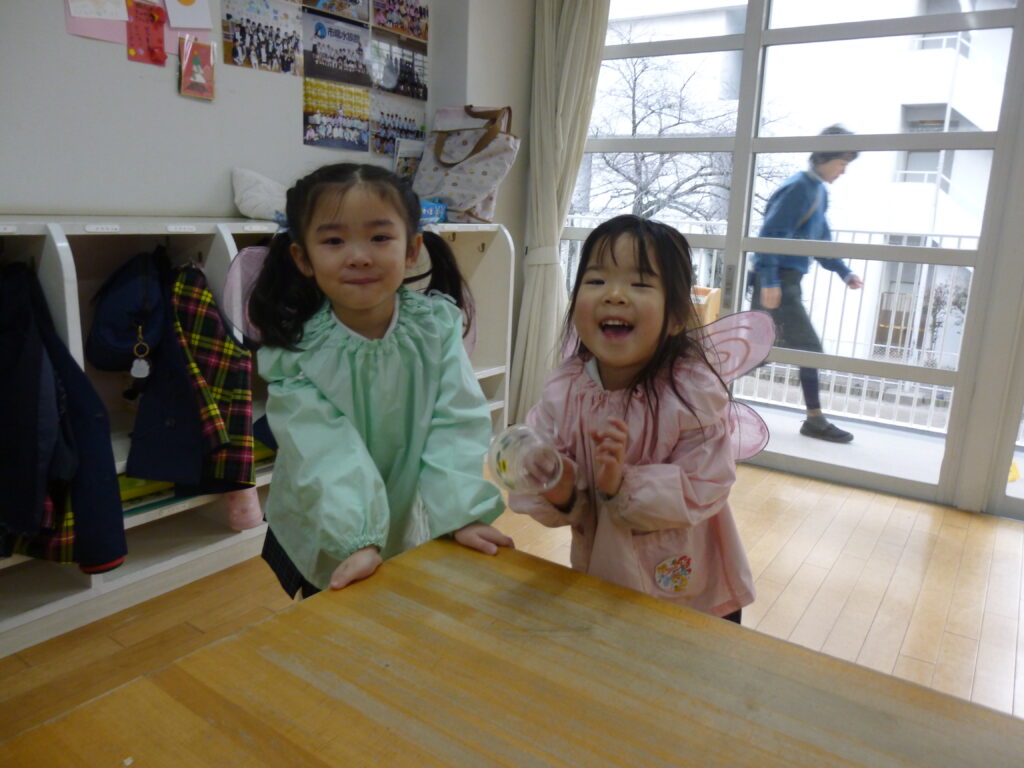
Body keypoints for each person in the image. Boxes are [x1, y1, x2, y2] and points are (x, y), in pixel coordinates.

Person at [247, 162, 513, 597]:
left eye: (379, 237)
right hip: (326, 516)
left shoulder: (435, 328)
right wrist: (358, 536)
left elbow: (455, 423)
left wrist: (461, 511)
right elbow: (324, 451)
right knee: (334, 620)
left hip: (407, 508)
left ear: (411, 250)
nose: (359, 256)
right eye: (334, 241)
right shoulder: (296, 352)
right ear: (303, 257)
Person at [507, 215, 773, 623]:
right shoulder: (564, 390)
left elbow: (707, 485)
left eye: (640, 284)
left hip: (692, 589)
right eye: (596, 280)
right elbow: (557, 485)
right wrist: (559, 486)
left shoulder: (691, 392)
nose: (614, 295)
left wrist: (622, 485)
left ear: (676, 318)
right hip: (606, 574)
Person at [750, 124, 864, 443]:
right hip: (778, 282)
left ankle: (703, 395)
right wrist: (770, 281)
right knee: (806, 349)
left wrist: (844, 272)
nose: (843, 171)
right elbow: (770, 237)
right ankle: (814, 420)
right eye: (841, 163)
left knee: (758, 352)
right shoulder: (798, 188)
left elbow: (820, 241)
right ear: (824, 157)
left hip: (785, 282)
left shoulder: (818, 191)